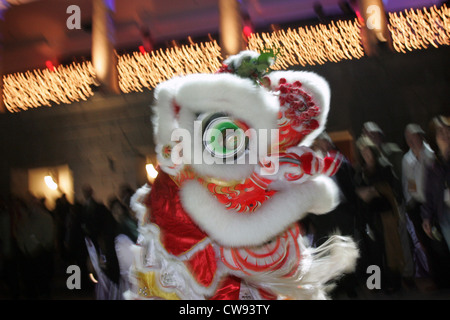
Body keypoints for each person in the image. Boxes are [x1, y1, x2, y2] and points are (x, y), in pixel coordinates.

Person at [309, 132, 360, 297]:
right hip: (323, 216)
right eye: (319, 143)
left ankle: (350, 285)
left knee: (347, 249)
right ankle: (333, 287)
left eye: (325, 142)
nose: (322, 145)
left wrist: (353, 209)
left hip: (343, 211)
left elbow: (351, 185)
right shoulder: (312, 166)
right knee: (327, 252)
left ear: (329, 144)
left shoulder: (340, 161)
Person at [354, 141, 405, 293]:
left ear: (373, 152)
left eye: (368, 152)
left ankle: (394, 283)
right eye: (363, 153)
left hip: (385, 215)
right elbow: (356, 192)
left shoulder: (384, 169)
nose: (366, 155)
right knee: (373, 252)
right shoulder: (360, 172)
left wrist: (376, 191)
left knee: (389, 249)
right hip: (369, 217)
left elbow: (393, 191)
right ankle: (374, 284)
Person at [402, 124, 435, 278]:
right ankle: (436, 277)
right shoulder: (407, 159)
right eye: (408, 138)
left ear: (420, 136)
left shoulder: (430, 155)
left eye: (413, 136)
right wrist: (410, 202)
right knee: (425, 243)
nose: (410, 140)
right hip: (416, 205)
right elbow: (408, 182)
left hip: (432, 203)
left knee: (437, 240)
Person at [420, 115, 450, 288]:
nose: (444, 134)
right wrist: (426, 217)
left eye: (447, 129)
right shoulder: (433, 166)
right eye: (440, 131)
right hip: (445, 217)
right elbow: (429, 194)